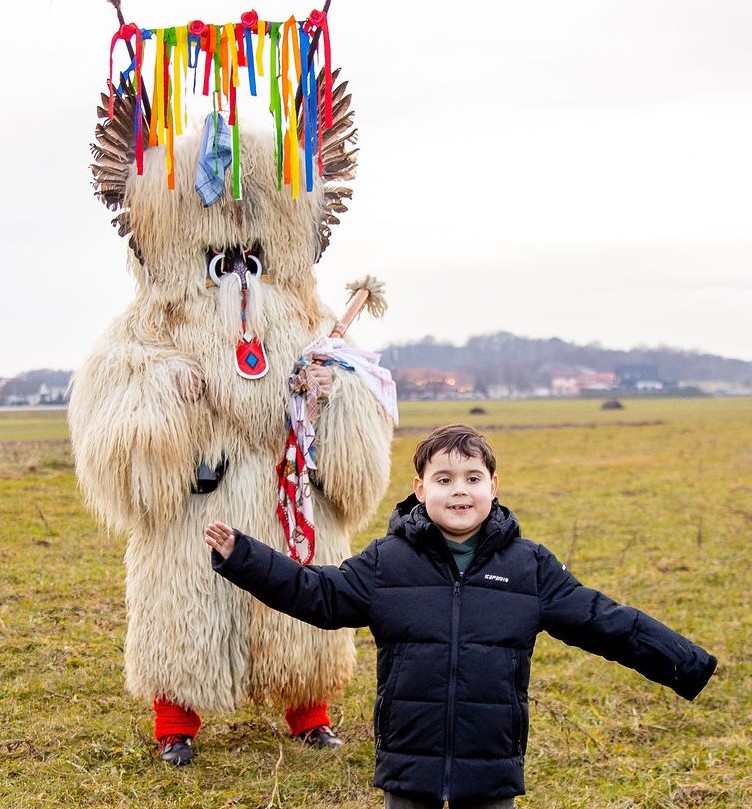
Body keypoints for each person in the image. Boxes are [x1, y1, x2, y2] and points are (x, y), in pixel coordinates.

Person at [205, 423, 717, 808]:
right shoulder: (387, 562)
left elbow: (604, 620)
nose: (459, 490)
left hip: (490, 762)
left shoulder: (528, 566)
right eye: (444, 478)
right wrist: (245, 558)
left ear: (493, 486)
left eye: (473, 478)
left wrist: (685, 662)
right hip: (409, 761)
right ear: (420, 488)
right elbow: (316, 593)